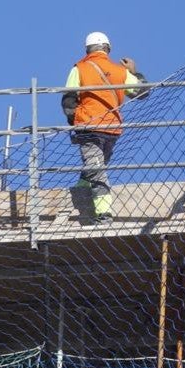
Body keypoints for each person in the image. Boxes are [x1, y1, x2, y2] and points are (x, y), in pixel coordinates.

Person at [61, 31, 146, 224]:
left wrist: (75, 123)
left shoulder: (80, 68)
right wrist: (134, 72)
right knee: (96, 166)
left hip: (88, 126)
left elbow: (68, 100)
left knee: (96, 168)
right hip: (111, 129)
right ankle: (82, 189)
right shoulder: (120, 71)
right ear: (107, 49)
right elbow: (143, 92)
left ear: (87, 49)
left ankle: (104, 213)